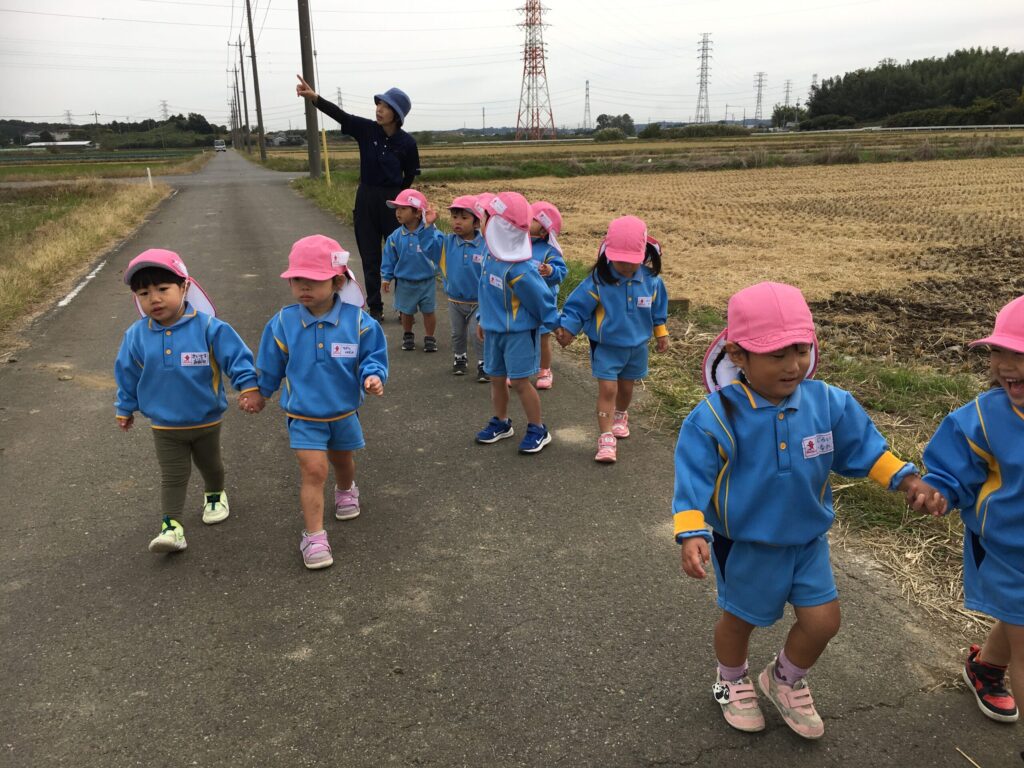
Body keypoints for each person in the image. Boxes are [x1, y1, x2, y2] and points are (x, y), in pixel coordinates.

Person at [672, 281, 944, 739]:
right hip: (747, 544)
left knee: (823, 622)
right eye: (776, 354)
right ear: (738, 355)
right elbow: (692, 478)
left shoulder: (828, 403)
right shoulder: (716, 417)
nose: (793, 365)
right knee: (740, 620)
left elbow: (865, 449)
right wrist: (691, 530)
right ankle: (730, 679)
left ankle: (784, 679)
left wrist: (906, 479)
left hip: (808, 540)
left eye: (800, 350)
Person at [918, 294, 1024, 724]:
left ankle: (987, 667)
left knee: (1019, 620)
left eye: (1020, 354)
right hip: (1006, 547)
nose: (1007, 365)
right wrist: (938, 491)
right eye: (999, 351)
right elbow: (951, 468)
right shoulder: (984, 417)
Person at [114, 249, 262, 554]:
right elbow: (127, 373)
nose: (154, 299)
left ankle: (215, 494)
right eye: (144, 293)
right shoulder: (136, 336)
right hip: (165, 425)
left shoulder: (209, 328)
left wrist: (248, 386)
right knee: (173, 476)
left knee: (211, 465)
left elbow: (236, 358)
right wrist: (125, 407)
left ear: (184, 287)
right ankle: (172, 527)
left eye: (162, 289)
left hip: (206, 419)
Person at [255, 235, 388, 570]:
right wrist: (261, 392)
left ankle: (346, 489)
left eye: (314, 280)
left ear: (338, 281)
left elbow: (372, 356)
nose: (304, 287)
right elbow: (270, 364)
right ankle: (314, 536)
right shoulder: (283, 322)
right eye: (297, 279)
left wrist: (373, 376)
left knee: (343, 460)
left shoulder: (358, 321)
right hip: (303, 414)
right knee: (314, 470)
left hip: (343, 410)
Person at [296, 75, 419, 322]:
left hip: (393, 201)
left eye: (385, 106)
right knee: (370, 255)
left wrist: (398, 198)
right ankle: (375, 307)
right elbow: (341, 116)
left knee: (399, 254)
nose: (379, 109)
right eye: (378, 104)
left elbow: (409, 176)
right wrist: (315, 98)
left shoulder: (407, 143)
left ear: (397, 114)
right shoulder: (367, 130)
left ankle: (404, 306)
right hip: (366, 198)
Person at [555, 215, 669, 463]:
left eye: (631, 261)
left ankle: (621, 415)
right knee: (608, 389)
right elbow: (577, 308)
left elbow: (658, 310)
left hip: (637, 347)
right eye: (619, 260)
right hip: (606, 347)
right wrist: (568, 330)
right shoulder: (598, 281)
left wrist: (661, 333)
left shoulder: (652, 281)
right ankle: (606, 437)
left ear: (643, 254)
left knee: (626, 389)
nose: (625, 266)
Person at [474, 191, 561, 454]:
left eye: (485, 218)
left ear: (499, 226)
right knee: (496, 378)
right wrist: (482, 318)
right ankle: (501, 422)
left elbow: (541, 299)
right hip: (494, 331)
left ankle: (538, 428)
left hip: (519, 334)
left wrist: (556, 325)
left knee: (521, 382)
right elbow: (484, 292)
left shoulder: (520, 268)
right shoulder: (490, 256)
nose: (481, 221)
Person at [381, 188, 442, 352]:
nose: (398, 212)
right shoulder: (395, 236)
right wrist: (386, 277)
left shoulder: (430, 233)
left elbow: (440, 248)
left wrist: (430, 225)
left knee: (429, 311)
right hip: (405, 281)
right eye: (397, 209)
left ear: (418, 213)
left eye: (403, 208)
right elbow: (389, 258)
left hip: (427, 281)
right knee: (406, 312)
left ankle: (430, 337)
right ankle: (408, 335)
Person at [439, 194, 487, 379]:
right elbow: (429, 245)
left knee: (478, 334)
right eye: (454, 217)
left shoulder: (485, 245)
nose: (457, 221)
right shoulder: (447, 242)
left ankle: (484, 363)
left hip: (478, 302)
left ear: (476, 223)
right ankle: (460, 358)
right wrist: (427, 227)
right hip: (455, 300)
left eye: (464, 218)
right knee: (457, 333)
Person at [529, 201, 569, 390]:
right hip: (524, 301)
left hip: (544, 301)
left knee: (543, 338)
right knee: (522, 336)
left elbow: (562, 272)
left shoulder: (549, 251)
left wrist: (551, 271)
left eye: (532, 219)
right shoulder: (519, 244)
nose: (526, 220)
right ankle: (519, 370)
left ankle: (544, 370)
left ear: (544, 229)